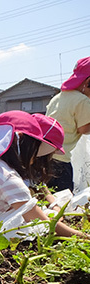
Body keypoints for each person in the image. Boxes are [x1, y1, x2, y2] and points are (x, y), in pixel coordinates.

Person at [0, 111, 85, 238]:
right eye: (35, 148)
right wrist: (84, 238)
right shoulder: (8, 178)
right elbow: (44, 224)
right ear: (19, 141)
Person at [46, 56, 90, 192]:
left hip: (44, 158)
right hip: (60, 161)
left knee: (47, 202)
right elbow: (84, 129)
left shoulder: (58, 97)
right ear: (88, 82)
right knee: (63, 203)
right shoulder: (82, 101)